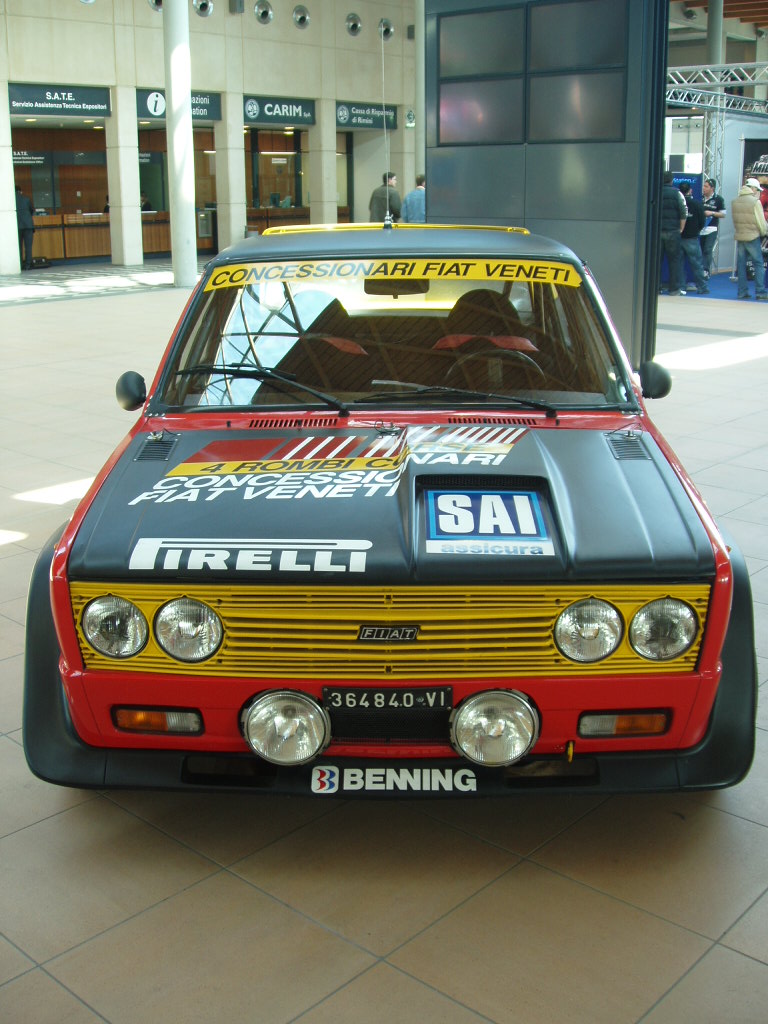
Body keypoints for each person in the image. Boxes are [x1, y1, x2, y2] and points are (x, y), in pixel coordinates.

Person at [731, 177, 768, 301]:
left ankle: (742, 292)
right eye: (756, 189)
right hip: (752, 236)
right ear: (752, 188)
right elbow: (761, 221)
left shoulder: (735, 201)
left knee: (741, 265)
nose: (757, 191)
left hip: (740, 235)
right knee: (758, 264)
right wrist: (764, 232)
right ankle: (760, 292)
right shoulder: (755, 202)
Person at [678, 182, 709, 295]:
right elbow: (702, 221)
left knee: (679, 264)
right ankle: (702, 287)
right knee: (697, 264)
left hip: (678, 237)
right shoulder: (696, 204)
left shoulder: (677, 203)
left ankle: (681, 287)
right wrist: (696, 230)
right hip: (692, 237)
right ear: (690, 191)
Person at [659, 171, 686, 295]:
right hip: (673, 231)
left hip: (658, 232)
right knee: (674, 261)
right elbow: (683, 212)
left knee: (656, 261)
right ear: (672, 180)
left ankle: (656, 287)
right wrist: (681, 229)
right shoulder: (677, 193)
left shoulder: (656, 192)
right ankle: (674, 289)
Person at [699, 177, 726, 277]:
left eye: (706, 186)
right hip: (700, 229)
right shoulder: (699, 197)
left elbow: (723, 214)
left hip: (711, 229)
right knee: (700, 250)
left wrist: (712, 213)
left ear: (712, 188)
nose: (703, 188)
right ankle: (699, 270)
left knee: (707, 249)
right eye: (703, 186)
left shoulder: (718, 199)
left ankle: (706, 270)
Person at [15, 184, 35, 270]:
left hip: (17, 226)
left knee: (18, 246)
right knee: (28, 246)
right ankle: (28, 265)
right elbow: (32, 210)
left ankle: (20, 265)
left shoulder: (11, 200)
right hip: (28, 225)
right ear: (20, 191)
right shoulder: (26, 199)